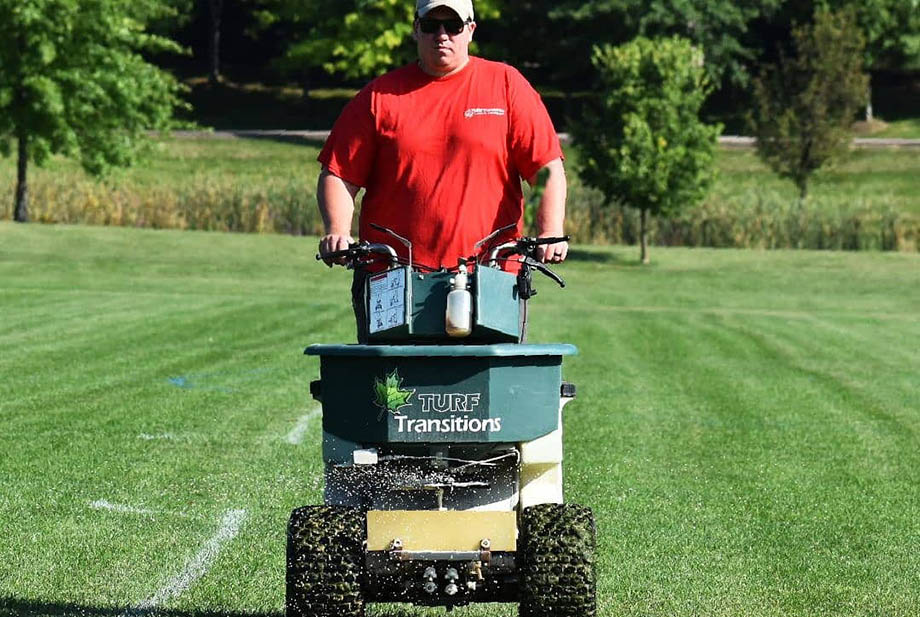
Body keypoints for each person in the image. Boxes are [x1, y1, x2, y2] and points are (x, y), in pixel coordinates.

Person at [317, 0, 568, 341]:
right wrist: (337, 231)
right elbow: (339, 174)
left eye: (453, 26)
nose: (442, 35)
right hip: (392, 275)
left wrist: (549, 231)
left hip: (492, 274)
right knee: (389, 387)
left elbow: (546, 168)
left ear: (471, 30)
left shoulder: (506, 85)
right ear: (415, 28)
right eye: (431, 25)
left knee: (489, 386)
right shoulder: (380, 96)